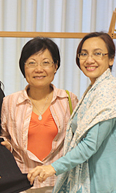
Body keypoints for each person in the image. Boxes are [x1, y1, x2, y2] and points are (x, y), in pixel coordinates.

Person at [28, 32, 116, 193]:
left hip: (100, 181)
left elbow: (90, 144)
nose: (89, 60)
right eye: (84, 54)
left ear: (111, 59)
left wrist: (53, 168)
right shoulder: (93, 91)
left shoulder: (109, 92)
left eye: (97, 53)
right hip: (88, 177)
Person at [0, 37, 78, 192]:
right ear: (23, 68)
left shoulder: (69, 100)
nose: (39, 69)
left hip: (60, 183)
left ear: (55, 66)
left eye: (46, 62)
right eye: (32, 63)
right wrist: (5, 146)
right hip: (21, 183)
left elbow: (77, 142)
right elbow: (4, 137)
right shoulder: (9, 102)